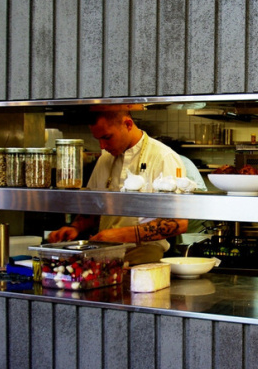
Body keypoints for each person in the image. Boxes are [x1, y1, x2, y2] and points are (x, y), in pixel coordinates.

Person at [47, 106, 189, 265]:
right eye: (98, 139)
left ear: (128, 124)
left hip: (145, 257)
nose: (102, 146)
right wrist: (75, 227)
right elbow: (94, 206)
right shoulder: (105, 158)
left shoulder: (163, 157)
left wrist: (122, 235)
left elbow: (179, 223)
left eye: (107, 137)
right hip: (105, 253)